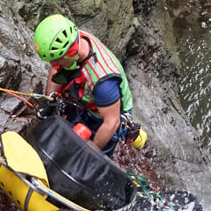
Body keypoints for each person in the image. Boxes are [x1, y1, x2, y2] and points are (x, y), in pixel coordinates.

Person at [33, 14, 136, 155]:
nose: (52, 64)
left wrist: (88, 154)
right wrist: (50, 99)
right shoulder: (75, 40)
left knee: (93, 153)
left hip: (105, 115)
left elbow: (111, 123)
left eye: (56, 60)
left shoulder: (104, 82)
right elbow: (56, 69)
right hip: (86, 98)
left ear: (69, 54)